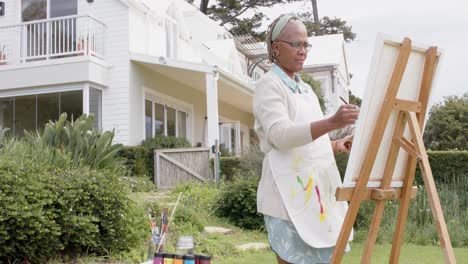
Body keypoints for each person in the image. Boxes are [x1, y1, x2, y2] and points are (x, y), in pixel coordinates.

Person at [253, 13, 359, 264]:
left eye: (305, 44)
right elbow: (280, 135)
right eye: (296, 44)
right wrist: (332, 122)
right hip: (285, 197)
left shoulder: (306, 90)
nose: (303, 51)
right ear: (276, 47)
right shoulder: (269, 85)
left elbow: (308, 142)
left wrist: (333, 144)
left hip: (316, 195)